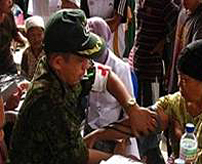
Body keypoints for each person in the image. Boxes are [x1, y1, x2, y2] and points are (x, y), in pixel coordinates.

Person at [8, 9, 157, 164]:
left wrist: (132, 108)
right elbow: (79, 158)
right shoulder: (50, 101)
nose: (87, 65)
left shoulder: (64, 68)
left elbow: (106, 76)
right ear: (58, 62)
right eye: (81, 60)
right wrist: (122, 160)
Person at [84, 40, 202, 163]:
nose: (179, 85)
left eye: (185, 80)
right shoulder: (177, 102)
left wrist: (179, 137)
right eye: (179, 78)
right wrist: (97, 135)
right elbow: (142, 122)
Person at [127, 0, 180, 163]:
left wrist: (163, 43)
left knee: (151, 119)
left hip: (152, 69)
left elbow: (178, 23)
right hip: (136, 64)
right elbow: (139, 30)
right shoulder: (139, 2)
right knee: (139, 112)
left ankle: (153, 157)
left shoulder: (164, 4)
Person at [85, 17, 140, 159]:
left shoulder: (120, 68)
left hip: (113, 133)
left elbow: (130, 109)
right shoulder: (85, 63)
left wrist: (122, 141)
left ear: (107, 39)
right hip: (90, 127)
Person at [168, 0, 202, 93]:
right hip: (176, 77)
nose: (183, 1)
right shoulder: (183, 11)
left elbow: (196, 56)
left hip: (189, 84)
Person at [0, 0, 26, 75]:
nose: (10, 2)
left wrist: (27, 42)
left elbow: (15, 33)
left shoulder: (9, 14)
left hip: (8, 63)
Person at [21, 15, 45, 81]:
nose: (36, 39)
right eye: (32, 35)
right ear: (27, 36)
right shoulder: (26, 53)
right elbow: (24, 74)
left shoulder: (48, 53)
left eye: (39, 35)